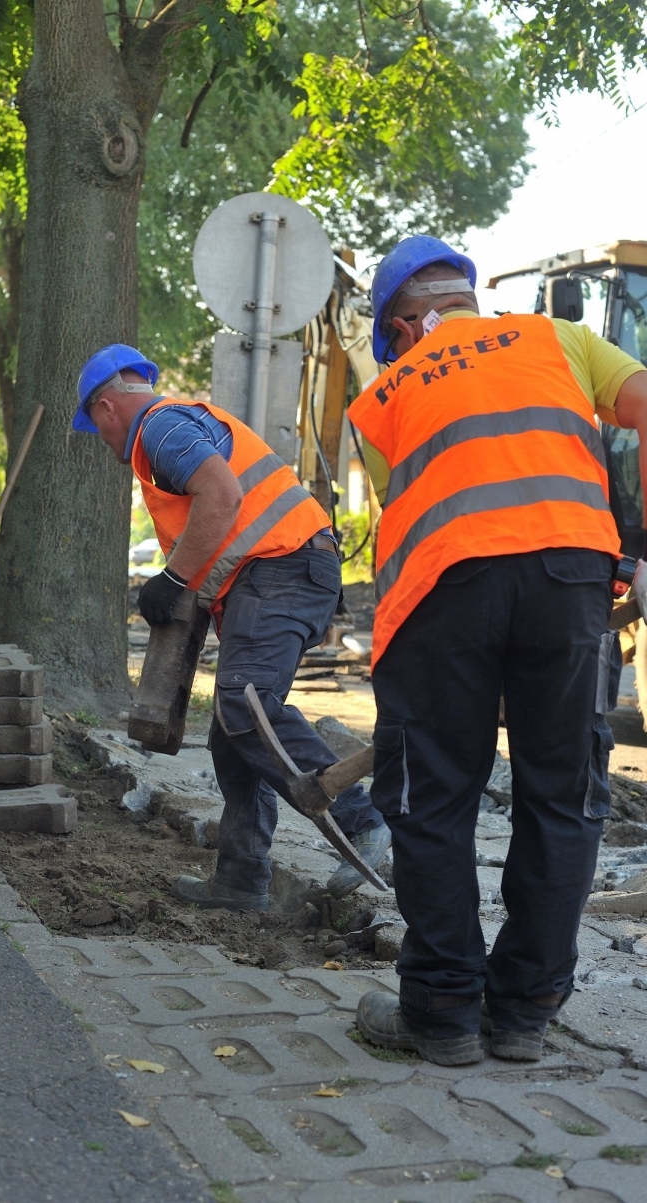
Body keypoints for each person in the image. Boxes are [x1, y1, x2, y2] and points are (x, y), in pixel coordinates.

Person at [347, 235, 647, 1066]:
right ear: (470, 301)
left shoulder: (382, 399)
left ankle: (441, 1012)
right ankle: (522, 1014)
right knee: (563, 793)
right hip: (570, 580)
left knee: (435, 796)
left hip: (444, 591)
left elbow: (407, 516)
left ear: (405, 329)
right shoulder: (561, 339)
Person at [72, 344, 391, 910]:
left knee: (246, 704)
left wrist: (172, 579)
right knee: (231, 729)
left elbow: (222, 495)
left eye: (94, 426)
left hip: (282, 569)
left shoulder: (158, 429)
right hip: (286, 571)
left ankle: (363, 821)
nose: (100, 442)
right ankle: (242, 879)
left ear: (106, 408)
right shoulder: (173, 429)